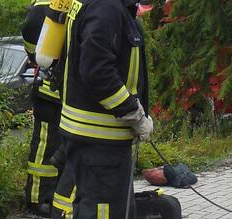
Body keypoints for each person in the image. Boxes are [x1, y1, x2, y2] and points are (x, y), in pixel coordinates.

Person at [54, 0, 153, 218]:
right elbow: (97, 71)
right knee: (103, 211)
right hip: (99, 139)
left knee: (104, 207)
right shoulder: (106, 7)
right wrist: (133, 113)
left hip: (99, 138)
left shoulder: (110, 6)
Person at [20, 0, 72, 217]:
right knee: (44, 148)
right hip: (51, 91)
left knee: (60, 147)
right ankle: (37, 199)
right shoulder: (51, 4)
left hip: (62, 91)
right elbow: (31, 28)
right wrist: (37, 57)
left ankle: (51, 197)